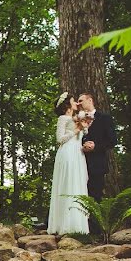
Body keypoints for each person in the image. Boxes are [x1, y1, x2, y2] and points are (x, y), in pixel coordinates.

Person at [47, 92, 91, 235]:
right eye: (73, 101)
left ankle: (77, 226)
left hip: (78, 153)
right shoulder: (63, 118)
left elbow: (82, 135)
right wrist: (76, 130)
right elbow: (60, 139)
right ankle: (64, 225)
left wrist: (83, 127)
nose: (76, 103)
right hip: (67, 153)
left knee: (77, 184)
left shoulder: (76, 118)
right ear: (67, 105)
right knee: (68, 185)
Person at [79, 93, 117, 202]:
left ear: (90, 100)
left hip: (97, 164)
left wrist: (95, 146)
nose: (79, 103)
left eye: (81, 100)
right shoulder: (77, 119)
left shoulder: (104, 118)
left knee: (95, 197)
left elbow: (112, 140)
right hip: (79, 162)